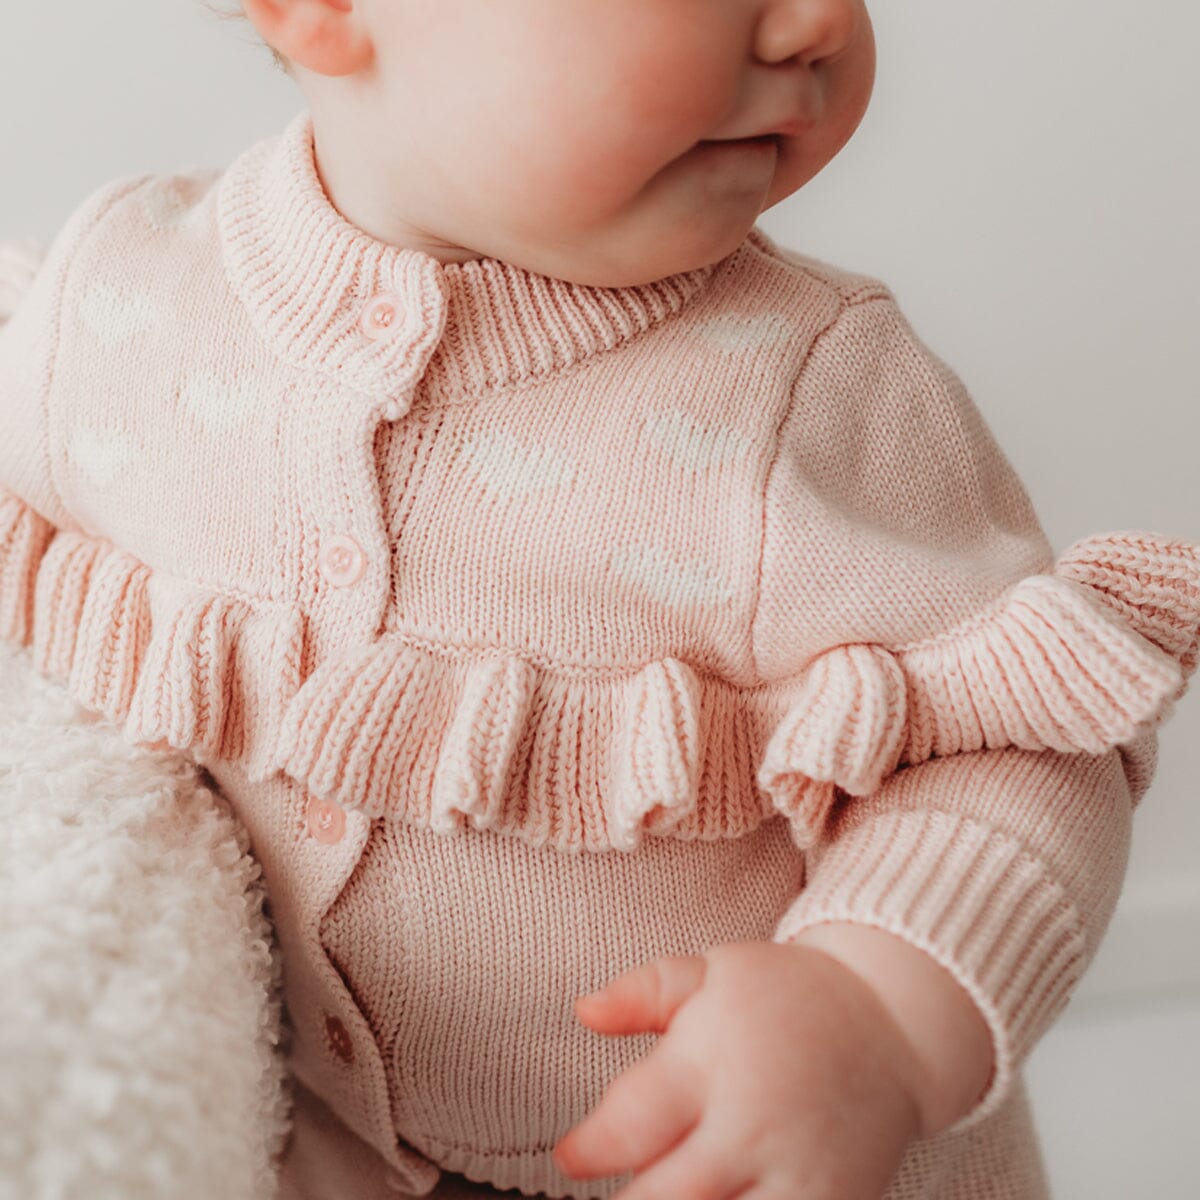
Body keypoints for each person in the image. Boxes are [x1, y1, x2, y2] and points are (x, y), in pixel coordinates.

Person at [0, 2, 1196, 1198]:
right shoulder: (124, 303)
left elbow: (1022, 751)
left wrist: (875, 1007)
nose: (819, 20)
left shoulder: (811, 395)